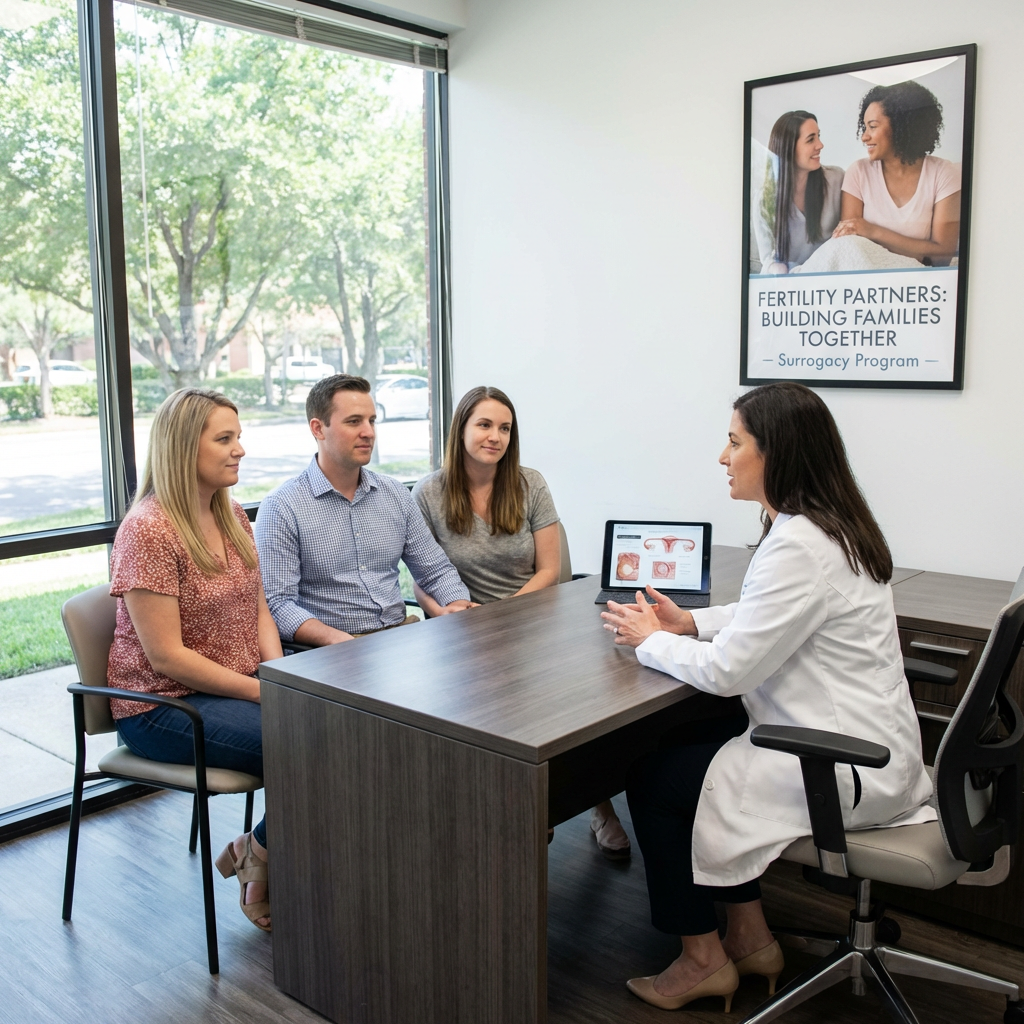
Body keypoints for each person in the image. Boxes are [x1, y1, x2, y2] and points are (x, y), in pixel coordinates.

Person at [601, 382, 934, 1011]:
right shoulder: (828, 528)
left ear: (775, 452)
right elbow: (772, 614)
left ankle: (701, 959)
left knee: (654, 779)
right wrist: (692, 622)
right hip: (875, 748)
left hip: (840, 764)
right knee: (696, 742)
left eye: (734, 442)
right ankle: (750, 940)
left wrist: (648, 638)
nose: (722, 457)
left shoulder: (799, 546)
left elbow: (729, 672)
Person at [411, 387, 632, 859]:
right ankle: (506, 812)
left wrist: (505, 615)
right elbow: (421, 577)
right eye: (485, 425)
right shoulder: (428, 492)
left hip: (532, 623)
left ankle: (597, 802)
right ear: (461, 429)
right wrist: (443, 613)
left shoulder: (529, 483)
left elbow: (550, 570)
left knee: (573, 712)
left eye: (505, 428)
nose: (495, 436)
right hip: (462, 633)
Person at [107, 388, 282, 932]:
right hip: (159, 707)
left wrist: (282, 677)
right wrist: (265, 692)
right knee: (310, 742)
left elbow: (259, 608)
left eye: (238, 436)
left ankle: (257, 848)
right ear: (185, 449)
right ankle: (262, 859)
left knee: (332, 726)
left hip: (234, 687)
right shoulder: (149, 530)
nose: (240, 450)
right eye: (225, 439)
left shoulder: (229, 513)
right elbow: (168, 658)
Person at [255, 374, 474, 646]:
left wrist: (457, 604)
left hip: (401, 637)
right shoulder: (282, 507)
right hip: (331, 650)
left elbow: (435, 570)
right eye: (354, 421)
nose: (368, 432)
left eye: (371, 421)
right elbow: (278, 604)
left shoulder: (394, 494)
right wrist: (340, 641)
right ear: (318, 429)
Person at [833, 80, 960, 264]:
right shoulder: (859, 172)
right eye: (865, 127)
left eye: (873, 126)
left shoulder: (943, 174)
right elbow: (848, 248)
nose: (864, 136)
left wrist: (873, 231)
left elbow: (941, 255)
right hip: (866, 279)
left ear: (901, 127)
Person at [753, 110, 844, 273]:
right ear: (789, 148)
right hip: (794, 286)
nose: (820, 145)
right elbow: (768, 261)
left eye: (818, 136)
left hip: (832, 276)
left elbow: (849, 242)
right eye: (811, 139)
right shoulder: (764, 200)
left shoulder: (837, 179)